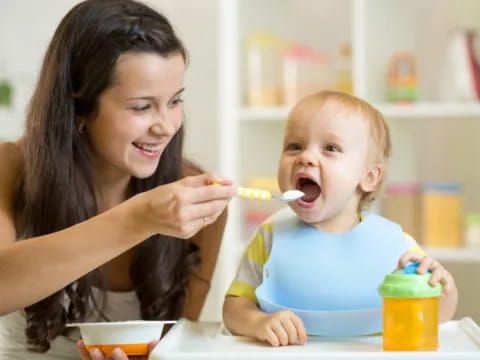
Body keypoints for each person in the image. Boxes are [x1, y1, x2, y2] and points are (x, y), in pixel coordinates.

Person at [0, 0, 236, 359]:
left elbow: (175, 344)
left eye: (175, 101)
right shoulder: (10, 168)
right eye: (141, 107)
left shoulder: (195, 201)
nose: (166, 126)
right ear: (79, 105)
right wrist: (138, 218)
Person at [223, 91, 458, 347]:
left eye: (331, 148)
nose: (306, 157)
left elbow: (436, 318)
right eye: (294, 146)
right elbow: (234, 308)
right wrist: (257, 323)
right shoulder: (269, 236)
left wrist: (444, 289)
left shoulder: (397, 246)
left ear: (368, 177)